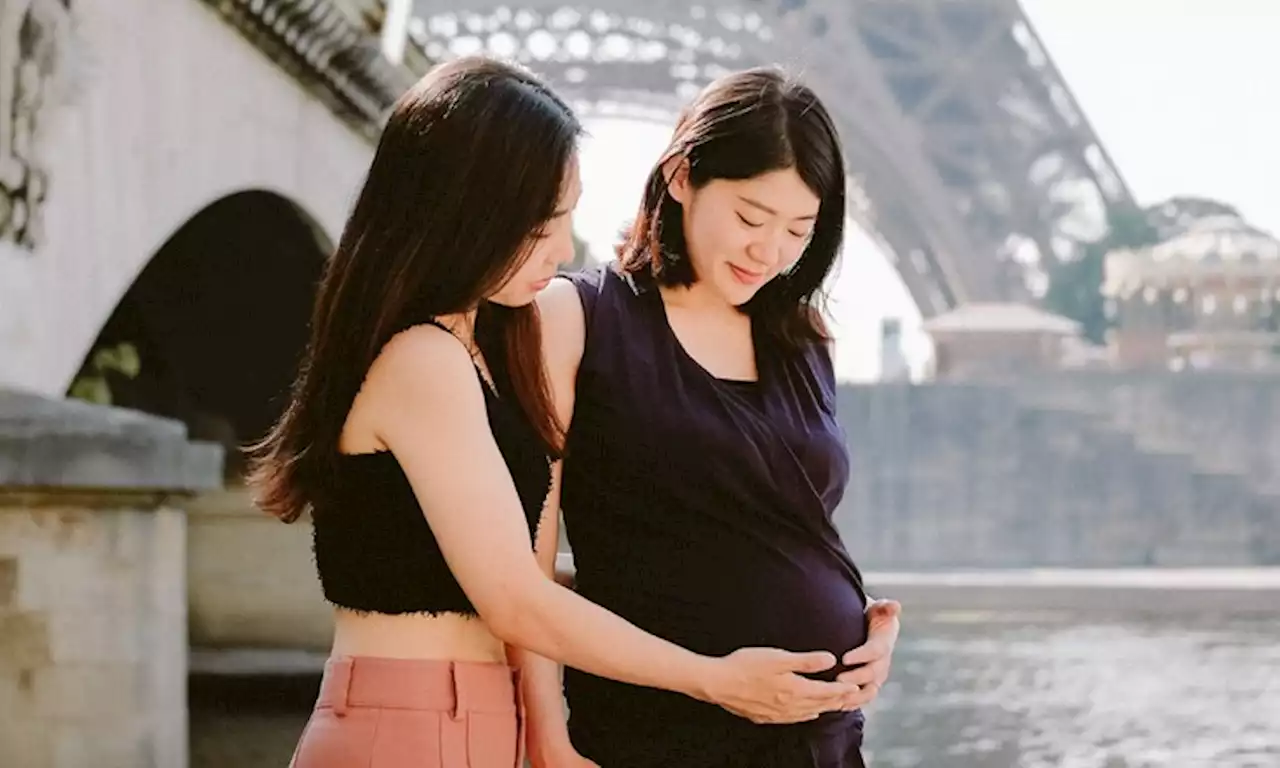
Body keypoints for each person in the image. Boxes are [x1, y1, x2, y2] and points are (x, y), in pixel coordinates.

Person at [246, 57, 865, 768]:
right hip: (417, 718)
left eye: (566, 219)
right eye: (543, 225)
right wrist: (714, 677)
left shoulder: (466, 349)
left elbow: (505, 568)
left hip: (466, 710)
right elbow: (515, 595)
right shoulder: (425, 360)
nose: (565, 250)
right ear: (467, 215)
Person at [529, 67, 904, 767]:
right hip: (657, 730)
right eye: (751, 218)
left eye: (800, 229)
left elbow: (773, 532)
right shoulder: (575, 318)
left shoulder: (804, 337)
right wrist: (549, 738)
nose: (771, 252)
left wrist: (866, 634)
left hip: (818, 737)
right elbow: (526, 564)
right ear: (680, 176)